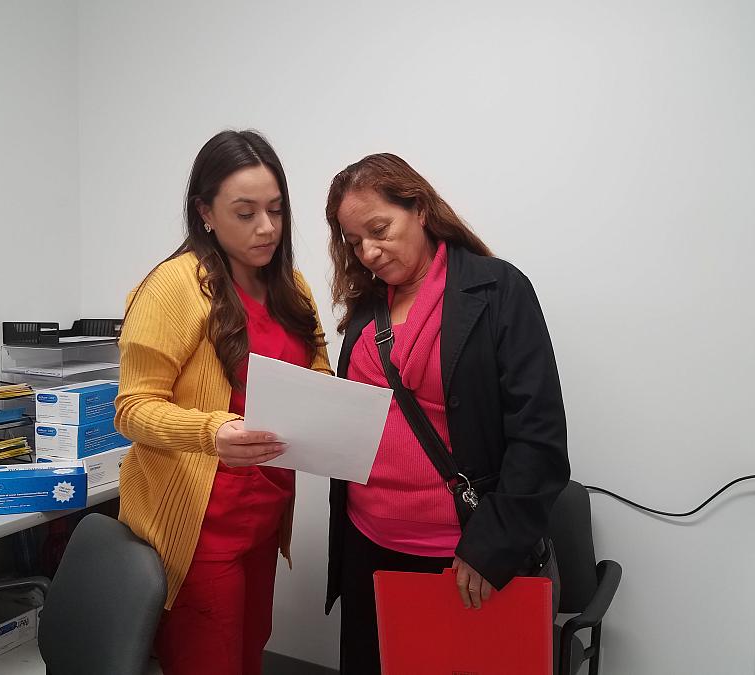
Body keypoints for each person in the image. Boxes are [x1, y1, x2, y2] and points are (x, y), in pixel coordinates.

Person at [323, 153, 570, 674]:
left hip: (463, 558)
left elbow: (539, 433)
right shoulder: (366, 309)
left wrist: (491, 546)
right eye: (353, 240)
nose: (368, 251)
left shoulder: (499, 289)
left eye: (379, 229)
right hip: (368, 548)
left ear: (420, 209)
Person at [115, 130, 332, 675]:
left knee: (250, 647)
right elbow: (132, 408)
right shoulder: (173, 287)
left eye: (277, 210)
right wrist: (211, 432)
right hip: (200, 524)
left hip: (265, 511)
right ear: (205, 213)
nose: (267, 228)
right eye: (246, 212)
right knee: (208, 659)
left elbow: (317, 373)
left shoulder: (292, 287)